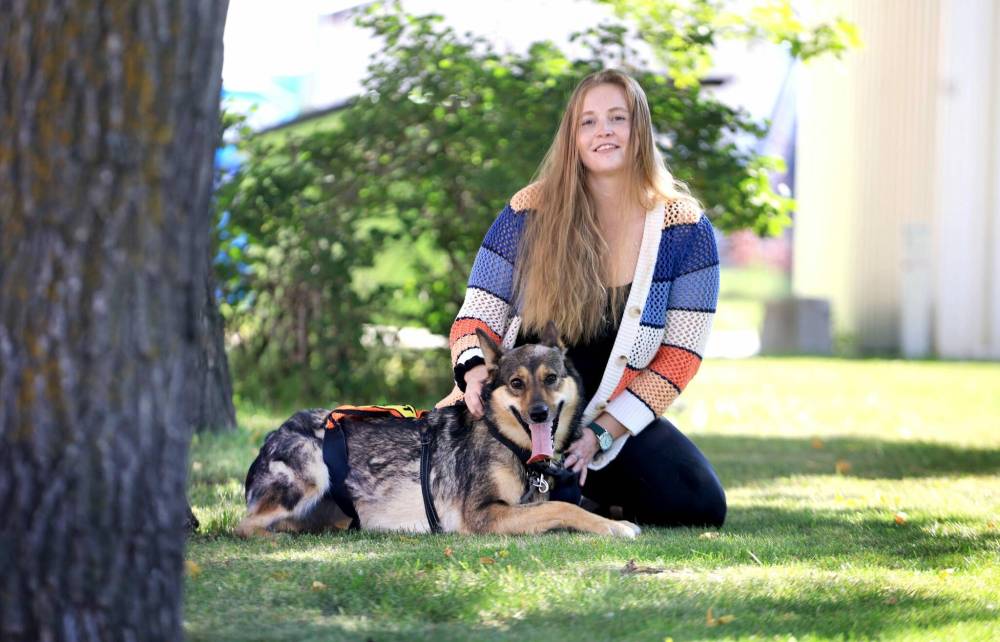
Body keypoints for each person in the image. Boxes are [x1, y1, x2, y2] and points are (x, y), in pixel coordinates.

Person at [437, 69, 726, 528]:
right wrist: (472, 372)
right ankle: (561, 497)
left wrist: (602, 435)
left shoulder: (685, 229)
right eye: (588, 122)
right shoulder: (528, 211)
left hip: (608, 415)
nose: (604, 131)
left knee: (699, 503)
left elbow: (679, 356)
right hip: (522, 413)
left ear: (640, 130)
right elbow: (477, 316)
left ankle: (585, 493)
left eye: (618, 118)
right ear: (573, 137)